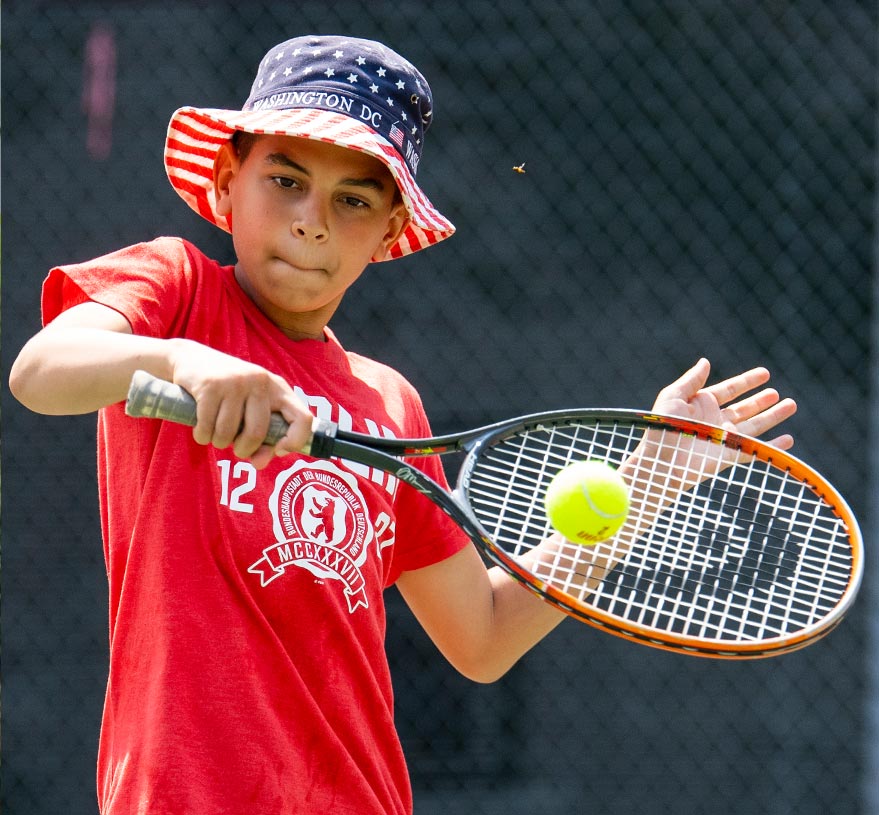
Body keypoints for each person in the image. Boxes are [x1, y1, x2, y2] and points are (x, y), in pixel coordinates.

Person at [9, 34, 797, 815]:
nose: (312, 220)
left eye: (352, 200)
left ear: (387, 233)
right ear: (226, 182)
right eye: (285, 179)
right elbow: (42, 371)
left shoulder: (391, 405)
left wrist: (645, 485)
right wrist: (190, 363)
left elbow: (482, 636)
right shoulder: (175, 290)